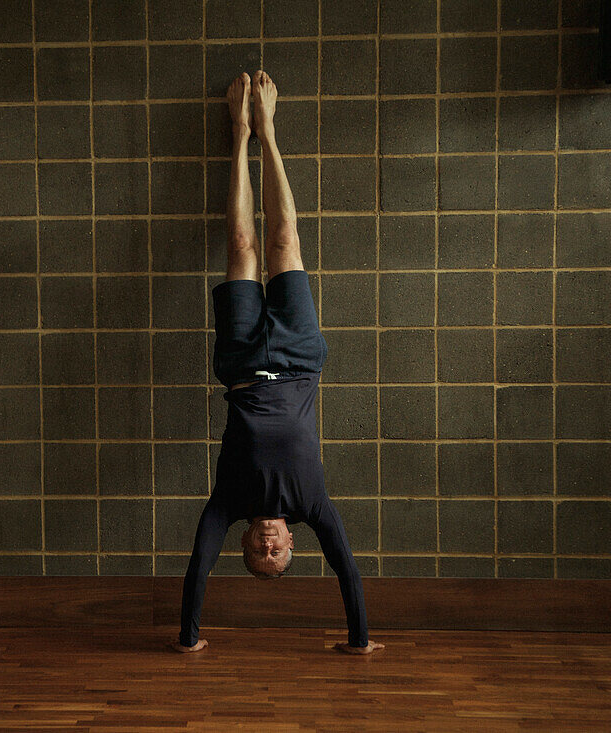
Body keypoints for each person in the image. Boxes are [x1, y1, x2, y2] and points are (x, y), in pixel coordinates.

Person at [168, 71, 384, 656]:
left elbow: (196, 569)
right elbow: (348, 573)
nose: (267, 546)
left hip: (241, 358)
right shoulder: (315, 504)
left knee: (241, 243)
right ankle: (269, 127)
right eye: (277, 552)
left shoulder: (228, 503)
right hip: (298, 354)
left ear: (241, 544)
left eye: (257, 553)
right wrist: (359, 642)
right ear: (292, 540)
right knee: (285, 240)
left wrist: (189, 640)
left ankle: (241, 133)